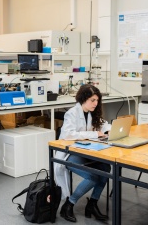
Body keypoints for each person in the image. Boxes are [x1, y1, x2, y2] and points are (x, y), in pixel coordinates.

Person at [54, 84, 111, 223]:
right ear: (83, 99)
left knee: (105, 170)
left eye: (97, 101)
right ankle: (69, 205)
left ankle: (92, 205)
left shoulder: (93, 113)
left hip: (88, 152)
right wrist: (94, 134)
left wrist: (109, 131)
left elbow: (105, 125)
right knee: (92, 178)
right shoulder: (72, 113)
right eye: (92, 100)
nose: (96, 104)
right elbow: (68, 134)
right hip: (70, 154)